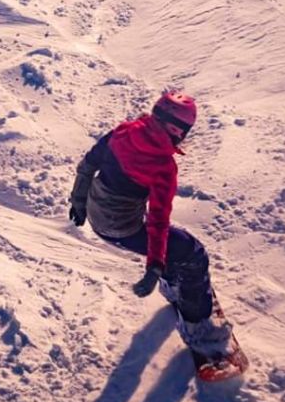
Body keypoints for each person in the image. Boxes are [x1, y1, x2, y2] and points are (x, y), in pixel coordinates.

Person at [68, 91, 233, 357]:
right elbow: (157, 222)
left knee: (172, 245)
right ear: (176, 129)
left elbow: (88, 164)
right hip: (119, 227)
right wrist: (154, 266)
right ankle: (199, 328)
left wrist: (78, 201)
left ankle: (172, 281)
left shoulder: (124, 131)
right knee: (193, 253)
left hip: (95, 208)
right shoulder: (163, 167)